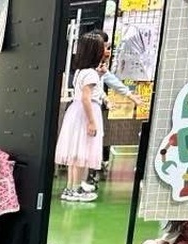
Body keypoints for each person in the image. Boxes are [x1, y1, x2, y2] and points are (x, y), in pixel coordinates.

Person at [84, 30, 145, 189]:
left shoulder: (100, 67)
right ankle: (80, 182)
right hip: (86, 111)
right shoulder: (88, 69)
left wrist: (128, 95)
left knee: (94, 143)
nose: (107, 51)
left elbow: (109, 82)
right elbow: (89, 92)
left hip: (94, 108)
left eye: (108, 47)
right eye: (104, 47)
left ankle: (88, 177)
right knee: (85, 144)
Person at [55, 33, 107, 203]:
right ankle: (76, 188)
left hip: (76, 112)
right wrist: (91, 121)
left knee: (75, 154)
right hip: (86, 114)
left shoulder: (81, 72)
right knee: (81, 154)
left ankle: (71, 187)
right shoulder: (91, 74)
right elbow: (86, 98)